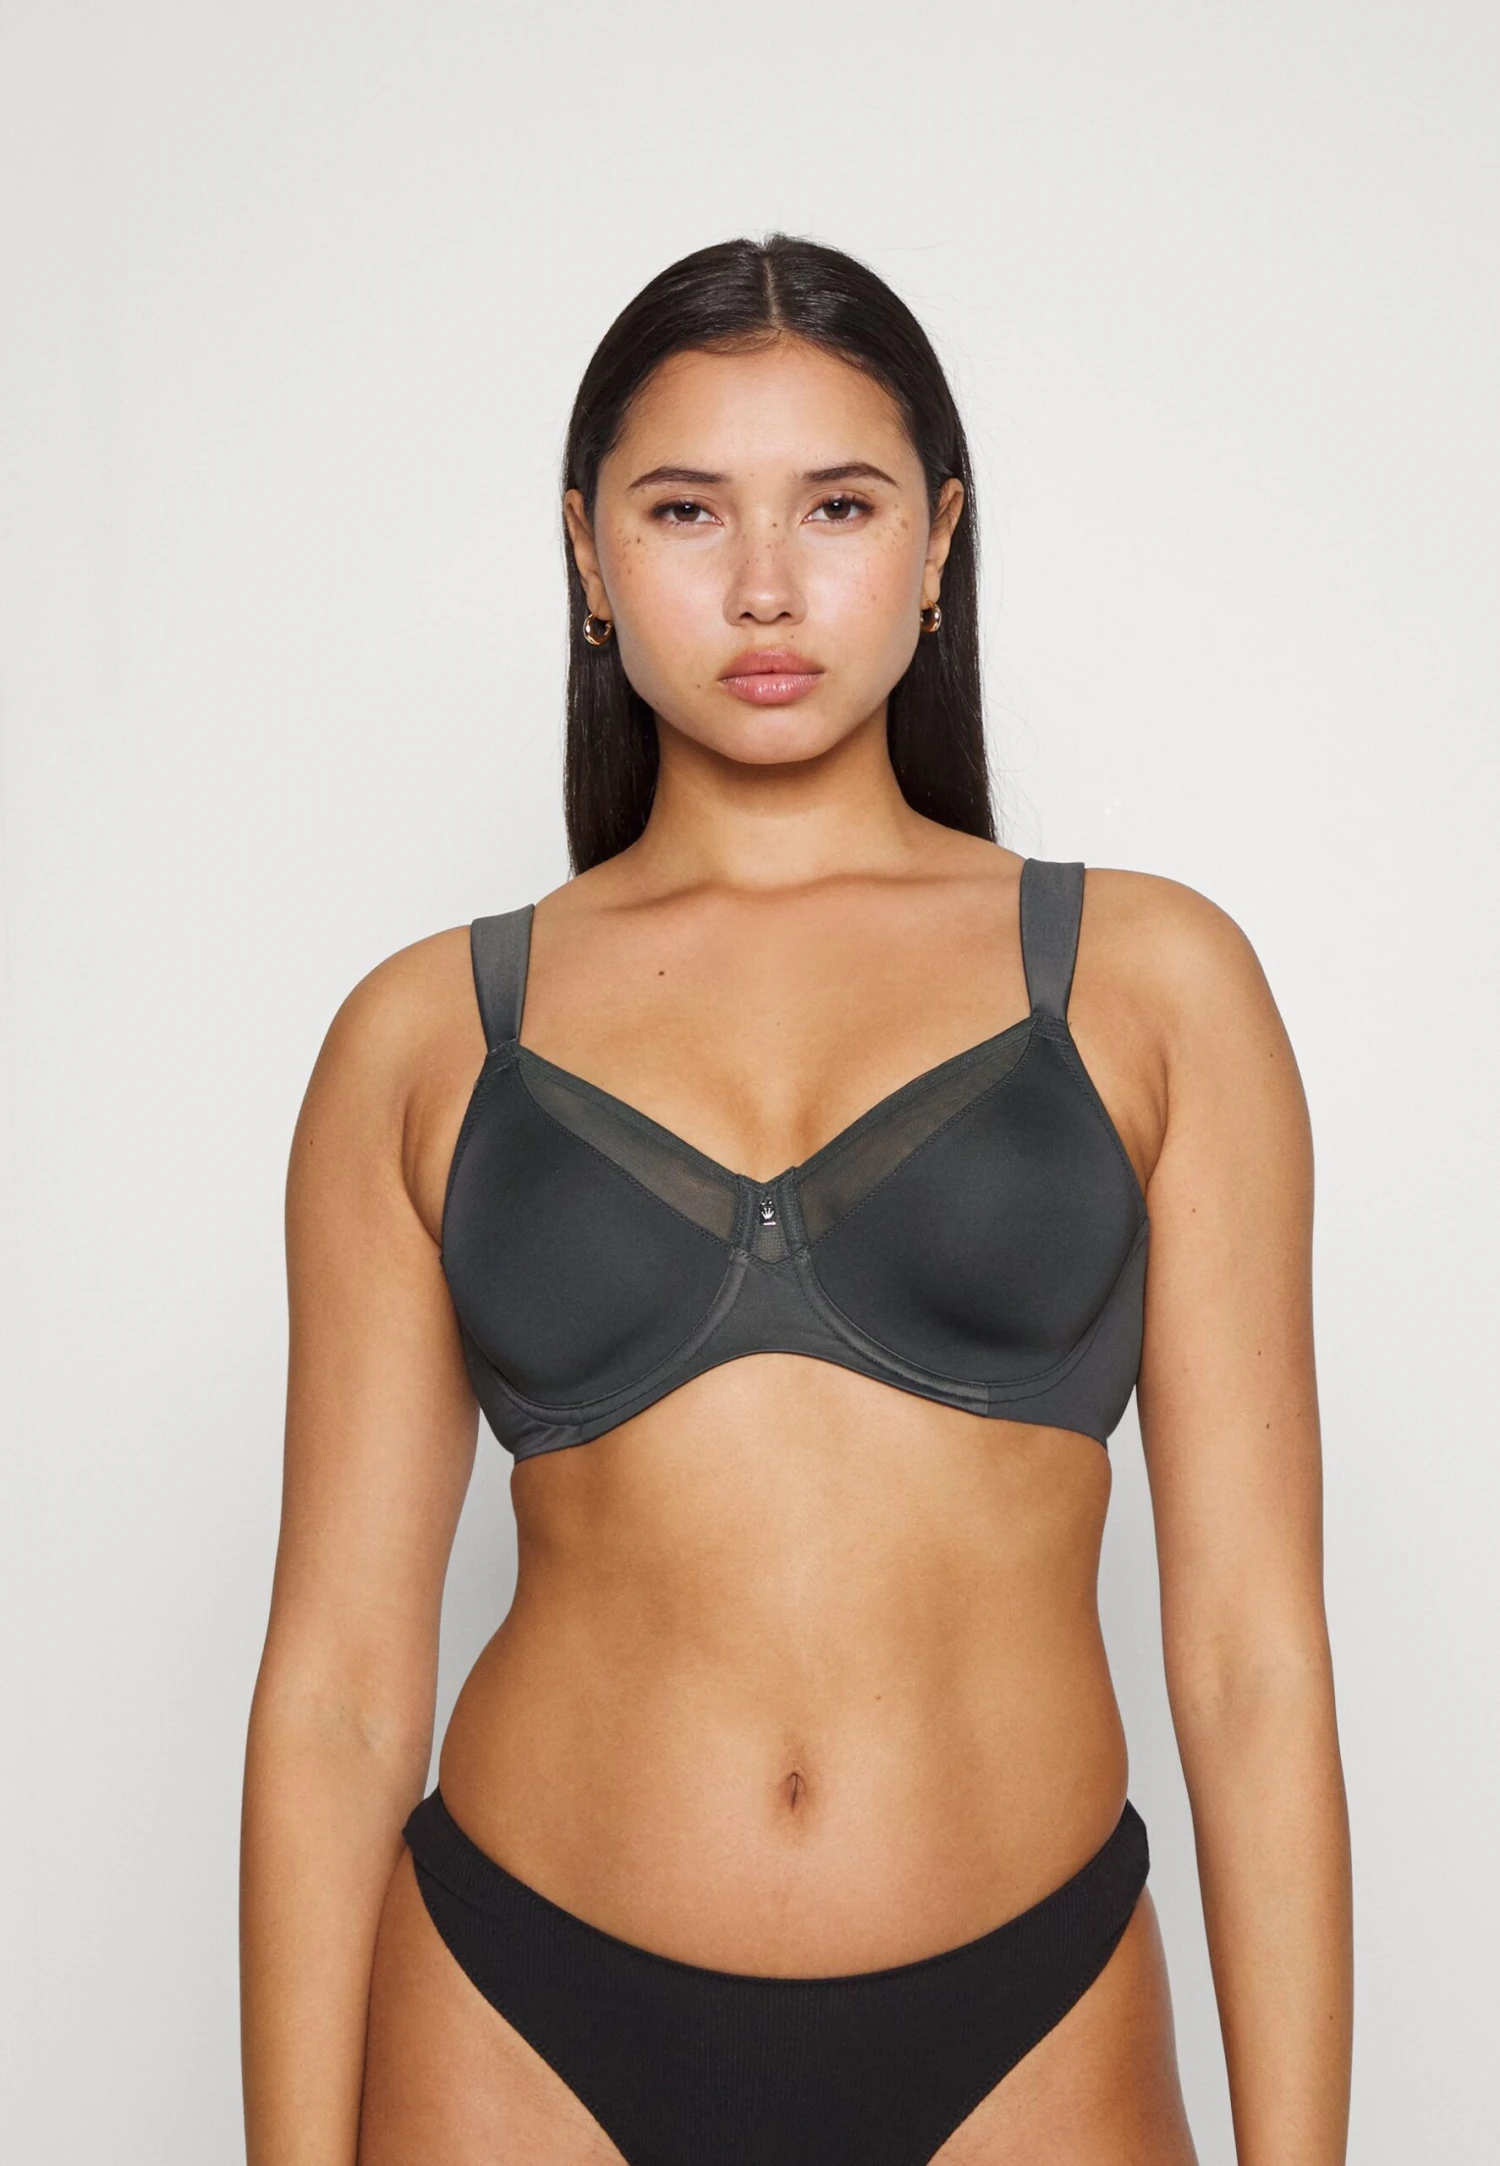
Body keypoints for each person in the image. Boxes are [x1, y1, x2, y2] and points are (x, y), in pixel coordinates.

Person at [241, 235, 1352, 2165]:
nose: (765, 583)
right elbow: (337, 1690)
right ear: (590, 555)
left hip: (1027, 2020)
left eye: (837, 505)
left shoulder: (1151, 984)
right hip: (518, 2018)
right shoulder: (426, 1034)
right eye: (687, 510)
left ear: (937, 543)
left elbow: (1254, 1661)